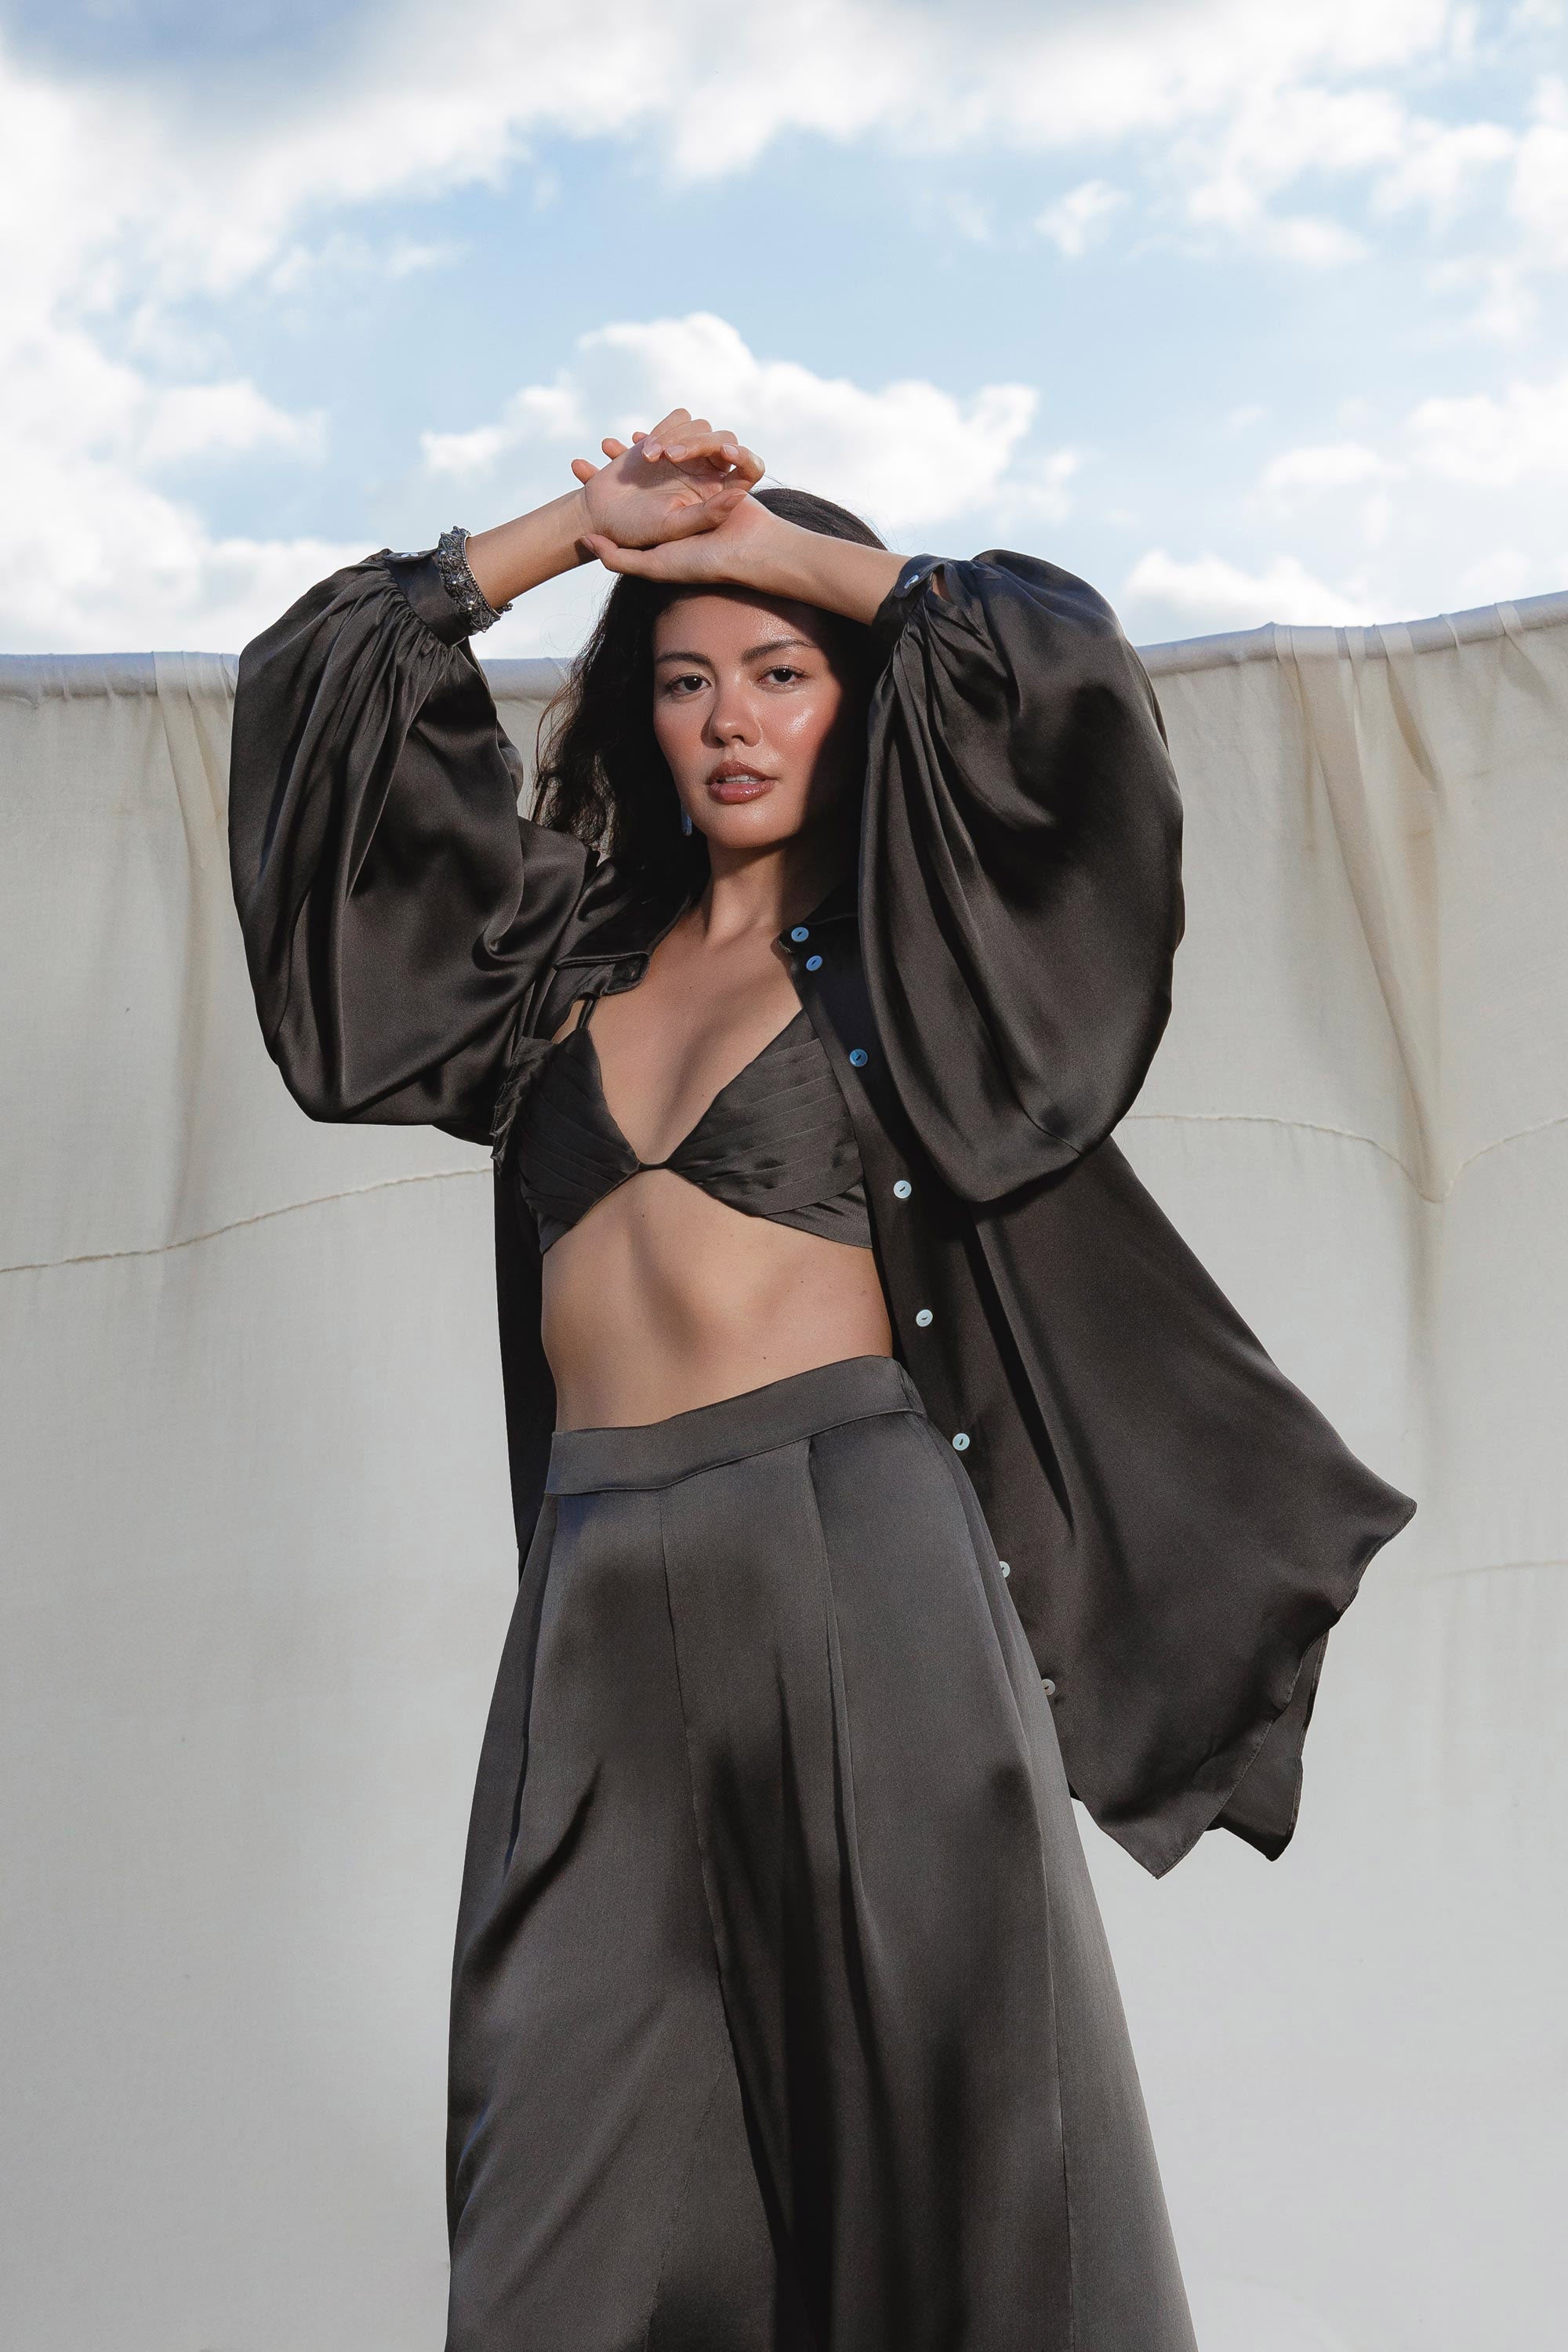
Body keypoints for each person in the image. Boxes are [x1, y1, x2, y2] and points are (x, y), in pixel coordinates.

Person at [228, 408, 1415, 2352]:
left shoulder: (917, 964)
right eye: (686, 681)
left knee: (959, 2167)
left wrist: (782, 552)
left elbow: (1057, 675)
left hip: (861, 1565)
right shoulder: (549, 973)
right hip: (594, 1606)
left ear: (855, 699)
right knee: (561, 2208)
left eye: (780, 674)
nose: (730, 718)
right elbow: (326, 700)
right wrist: (581, 533)